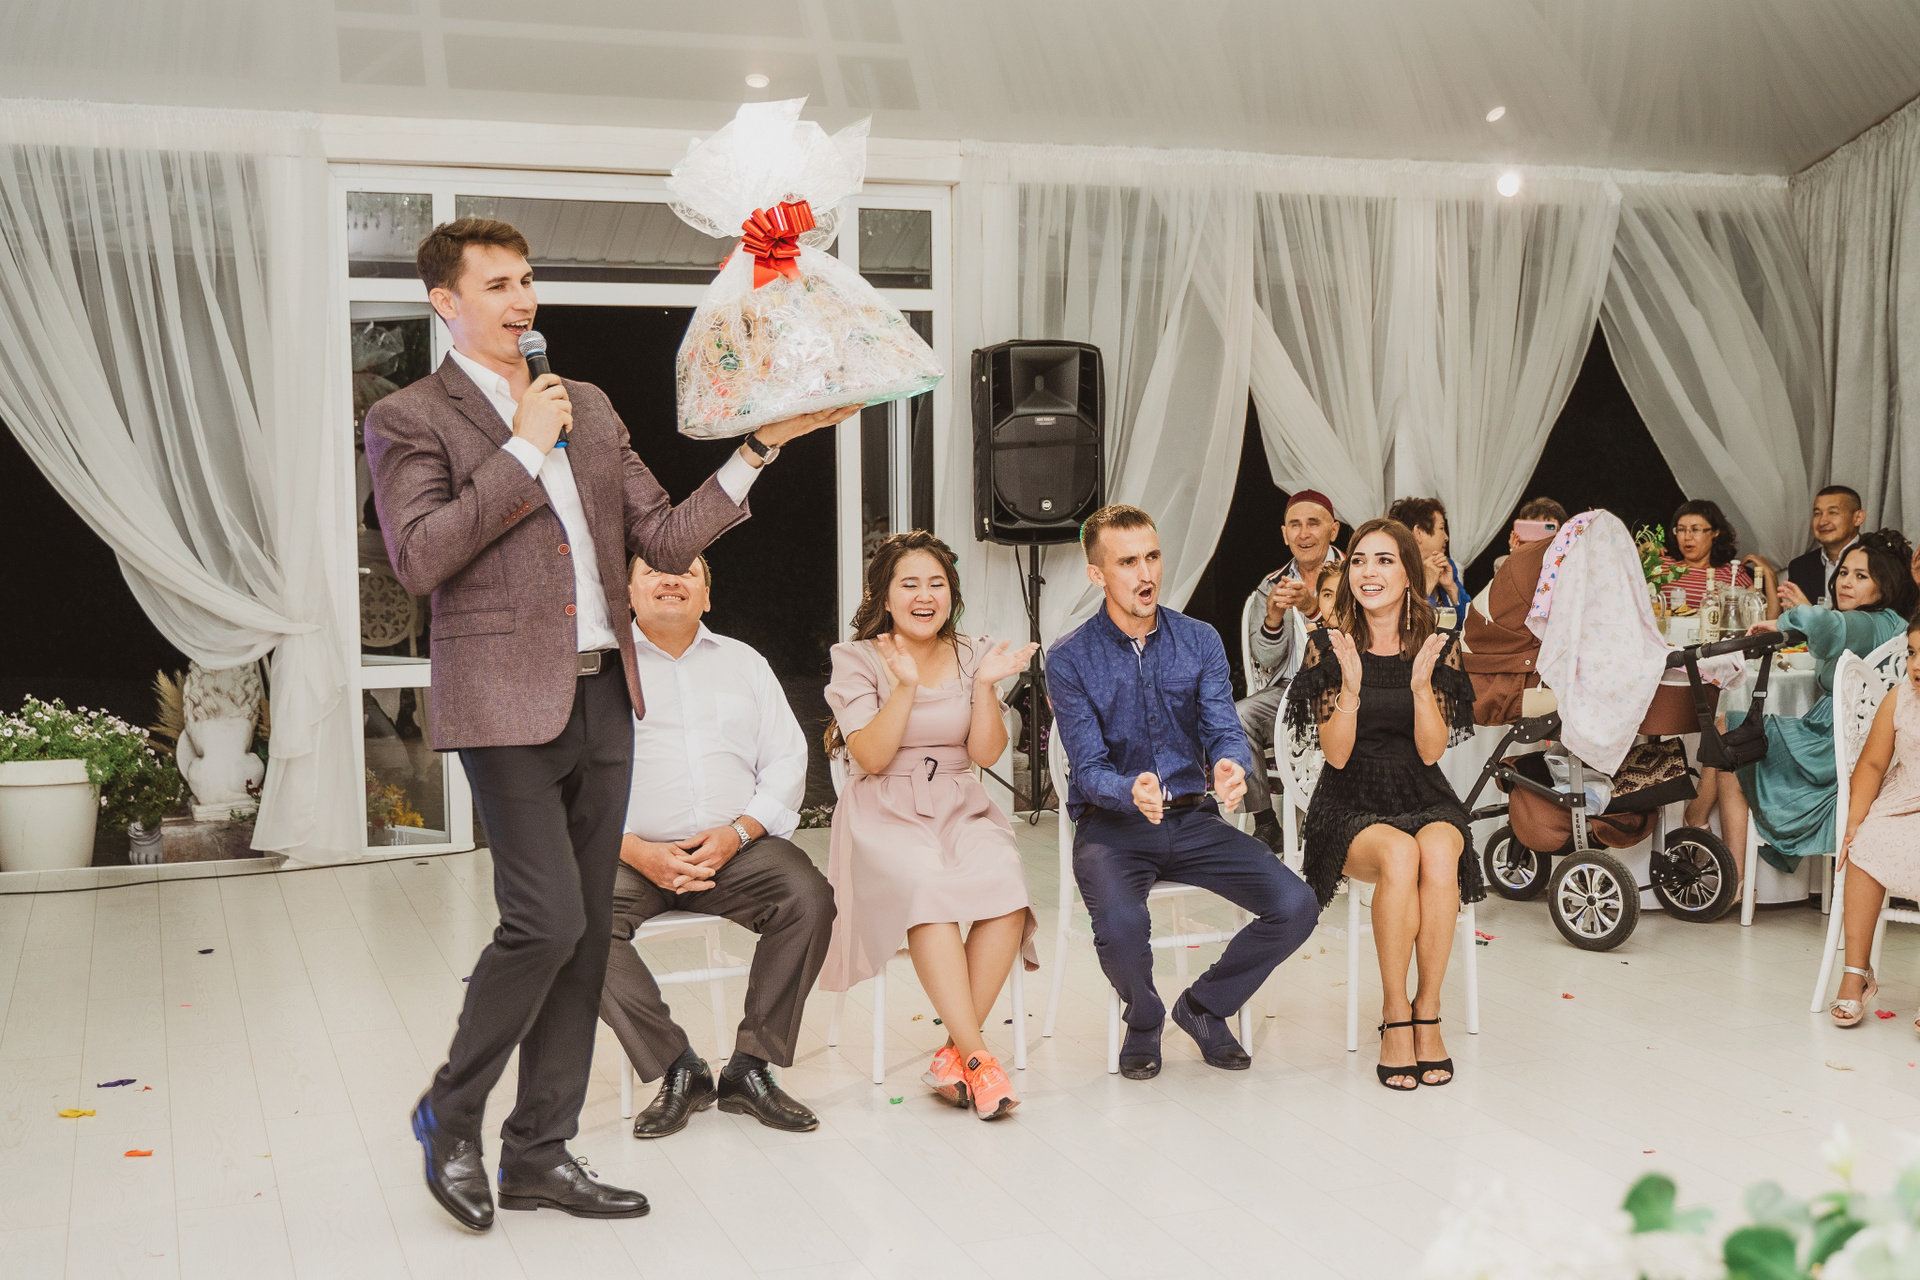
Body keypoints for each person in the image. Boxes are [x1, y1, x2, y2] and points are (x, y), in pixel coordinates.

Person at [364, 217, 854, 1231]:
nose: (522, 299)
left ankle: (539, 1152)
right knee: (544, 920)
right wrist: (520, 447)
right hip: (504, 704)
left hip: (604, 697)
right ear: (445, 303)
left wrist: (761, 446)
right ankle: (450, 1112)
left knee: (585, 936)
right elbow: (420, 557)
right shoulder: (410, 416)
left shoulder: (584, 404)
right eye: (497, 284)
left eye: (526, 280)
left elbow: (666, 537)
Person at [1047, 505, 1319, 1081]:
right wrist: (1129, 790)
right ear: (1097, 574)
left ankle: (1204, 1006)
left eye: (1152, 556)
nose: (1146, 573)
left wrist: (1230, 764)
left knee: (1296, 905)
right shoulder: (1069, 659)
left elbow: (1224, 729)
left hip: (1194, 821)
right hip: (1114, 826)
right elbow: (1087, 769)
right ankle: (1144, 1018)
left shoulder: (1198, 640)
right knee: (1121, 928)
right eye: (1127, 562)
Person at [602, 554, 833, 1140]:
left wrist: (739, 833)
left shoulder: (744, 663)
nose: (671, 578)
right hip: (628, 854)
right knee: (572, 920)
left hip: (737, 850)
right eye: (653, 570)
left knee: (808, 898)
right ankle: (679, 1068)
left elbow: (786, 759)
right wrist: (633, 849)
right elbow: (573, 779)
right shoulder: (599, 670)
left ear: (707, 595)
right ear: (627, 593)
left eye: (687, 571)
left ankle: (750, 1068)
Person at [822, 531, 1039, 1121]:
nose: (925, 596)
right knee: (928, 889)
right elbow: (870, 757)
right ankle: (980, 1059)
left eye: (936, 584)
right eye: (910, 584)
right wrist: (906, 686)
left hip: (958, 802)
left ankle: (954, 1054)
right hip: (883, 808)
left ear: (951, 593)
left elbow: (986, 754)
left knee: (1006, 884)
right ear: (885, 596)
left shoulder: (973, 654)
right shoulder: (857, 658)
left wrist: (987, 686)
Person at [1285, 518, 1482, 1092]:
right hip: (1349, 799)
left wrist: (1420, 689)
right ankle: (1395, 1014)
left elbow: (1431, 751)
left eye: (1385, 560)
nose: (1369, 572)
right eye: (1360, 561)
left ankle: (1428, 1009)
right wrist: (1349, 688)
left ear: (1409, 574)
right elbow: (1337, 755)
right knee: (1400, 854)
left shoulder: (1437, 647)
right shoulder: (1329, 646)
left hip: (1422, 791)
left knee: (1439, 850)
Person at [1688, 530, 1918, 885]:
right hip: (1859, 746)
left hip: (1828, 747)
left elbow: (1818, 621)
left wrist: (1782, 622)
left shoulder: (1863, 622)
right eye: (1844, 572)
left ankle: (1699, 827)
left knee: (1730, 731)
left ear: (1885, 585)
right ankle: (1727, 865)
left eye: (1861, 576)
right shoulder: (1895, 623)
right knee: (1736, 740)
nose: (1846, 582)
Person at [1237, 489, 1344, 853]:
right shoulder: (1272, 584)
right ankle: (1266, 822)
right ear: (1284, 534)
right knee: (1237, 717)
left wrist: (1313, 608)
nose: (1304, 533)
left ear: (1334, 529)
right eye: (1295, 525)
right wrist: (1272, 617)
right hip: (1290, 692)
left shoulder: (1355, 573)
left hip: (1347, 689)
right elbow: (1265, 659)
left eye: (1313, 523)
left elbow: (1360, 638)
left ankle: (1335, 823)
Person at [1828, 617, 1920, 1028]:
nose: (1916, 665)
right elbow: (1872, 764)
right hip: (1903, 799)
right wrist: (1854, 824)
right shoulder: (1900, 699)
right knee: (1867, 844)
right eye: (1912, 652)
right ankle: (1856, 972)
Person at [1660, 499, 1776, 614]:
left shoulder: (1733, 574)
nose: (1687, 537)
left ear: (1715, 532)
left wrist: (1769, 573)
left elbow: (1767, 620)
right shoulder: (1661, 566)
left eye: (1695, 529)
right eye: (1681, 530)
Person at [1388, 497, 1465, 631]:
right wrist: (1427, 585)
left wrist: (1451, 588)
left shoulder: (1445, 566)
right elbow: (1405, 628)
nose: (1446, 537)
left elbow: (1470, 625)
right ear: (1418, 533)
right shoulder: (1395, 571)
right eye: (1441, 528)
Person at [1784, 486, 1866, 609]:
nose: (1822, 522)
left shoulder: (1880, 559)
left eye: (1832, 513)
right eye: (1817, 514)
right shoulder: (1800, 567)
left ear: (1858, 518)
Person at [1490, 497, 1567, 573]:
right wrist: (1516, 556)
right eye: (1531, 529)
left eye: (1549, 527)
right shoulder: (1502, 564)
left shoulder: (1568, 558)